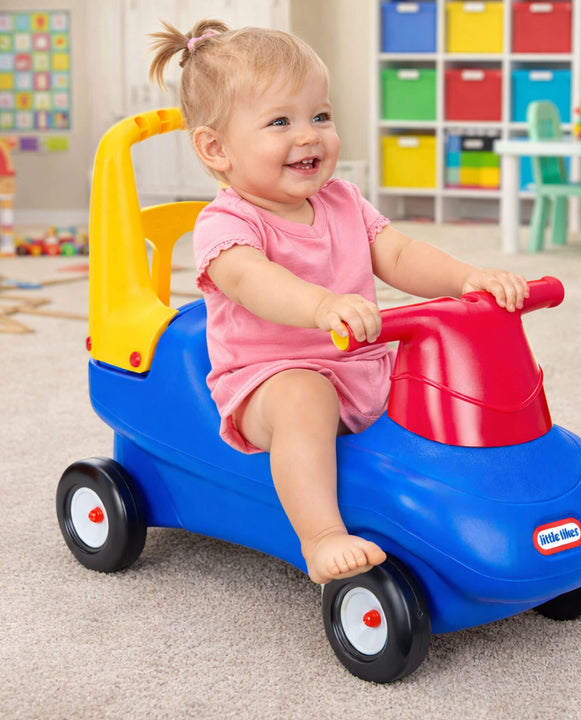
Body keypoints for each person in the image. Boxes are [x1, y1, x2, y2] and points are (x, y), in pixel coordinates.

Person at [149, 20, 529, 585]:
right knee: (306, 397)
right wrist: (323, 305)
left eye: (320, 116)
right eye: (281, 122)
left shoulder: (342, 199)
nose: (309, 136)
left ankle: (487, 494)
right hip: (270, 378)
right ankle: (321, 535)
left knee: (441, 364)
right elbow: (254, 281)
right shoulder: (225, 223)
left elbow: (398, 255)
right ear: (216, 148)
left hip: (362, 361)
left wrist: (466, 279)